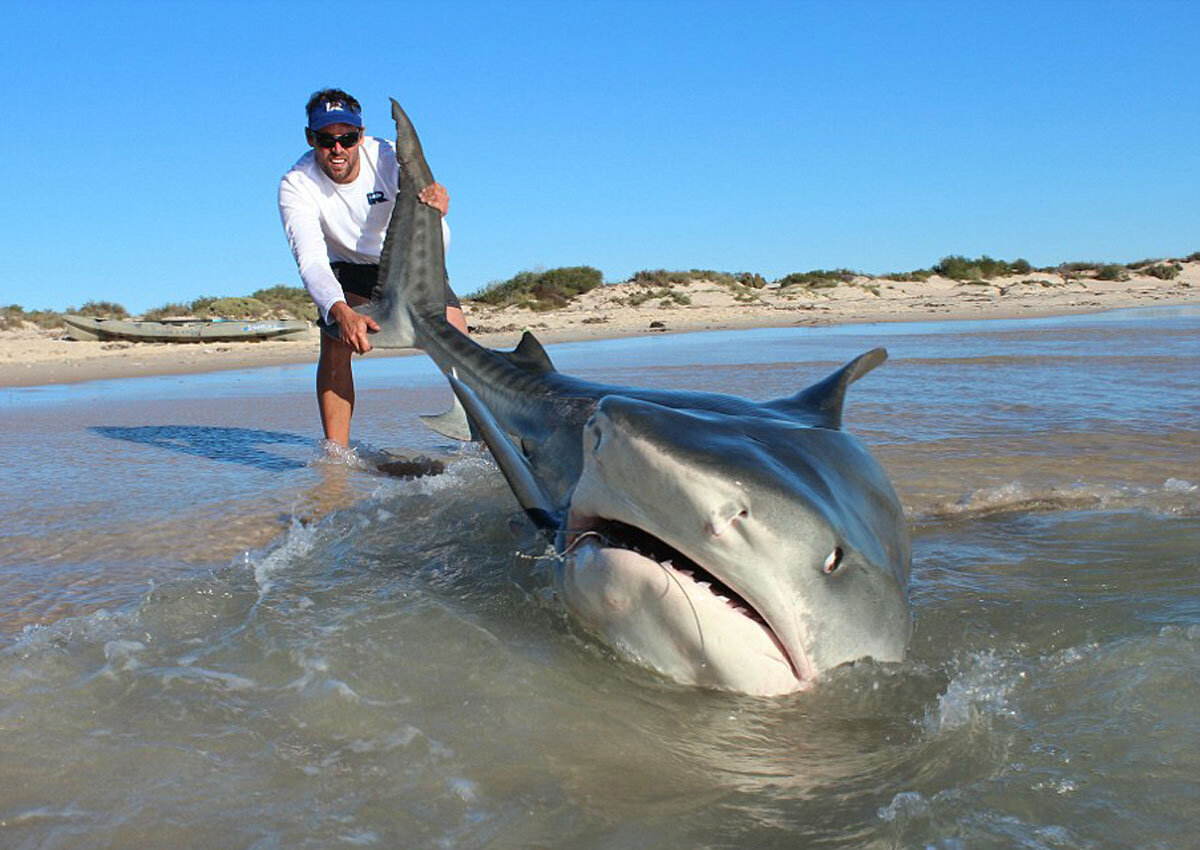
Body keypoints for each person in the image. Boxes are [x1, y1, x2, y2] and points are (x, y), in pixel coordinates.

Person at [278, 88, 469, 447]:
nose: (337, 149)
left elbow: (427, 202)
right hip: (351, 270)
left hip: (414, 265)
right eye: (326, 139)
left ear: (360, 136)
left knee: (461, 345)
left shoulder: (386, 156)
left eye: (347, 138)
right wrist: (339, 311)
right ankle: (337, 457)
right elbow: (312, 261)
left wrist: (437, 202)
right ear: (310, 138)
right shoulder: (296, 185)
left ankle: (485, 444)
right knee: (334, 343)